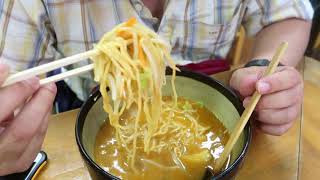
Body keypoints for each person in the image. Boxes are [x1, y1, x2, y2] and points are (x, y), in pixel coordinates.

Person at [0, 0, 313, 176]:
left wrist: (263, 69)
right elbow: (12, 81)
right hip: (84, 104)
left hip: (214, 91)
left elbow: (289, 16)